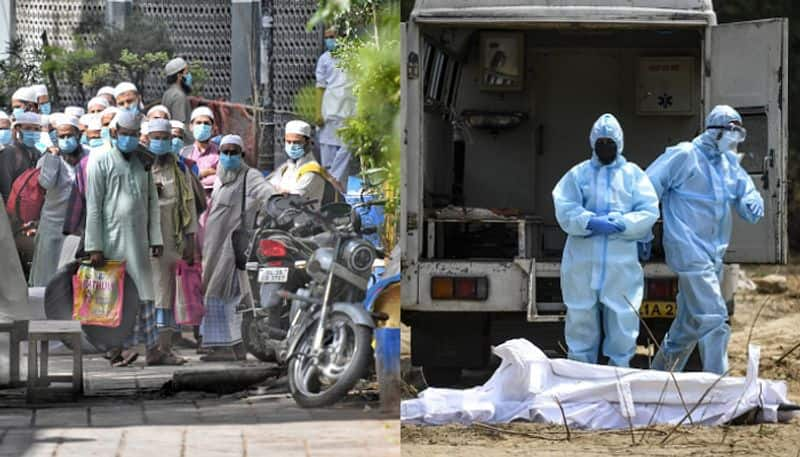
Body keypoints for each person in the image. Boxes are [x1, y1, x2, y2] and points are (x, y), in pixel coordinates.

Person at [647, 105, 764, 375]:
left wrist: (752, 200)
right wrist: (643, 229)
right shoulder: (685, 155)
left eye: (740, 133)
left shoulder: (728, 166)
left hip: (713, 257)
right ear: (715, 131)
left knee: (686, 328)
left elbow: (747, 193)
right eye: (732, 132)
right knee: (714, 319)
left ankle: (657, 380)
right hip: (688, 250)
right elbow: (648, 186)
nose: (735, 139)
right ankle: (717, 390)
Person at [552, 113, 659, 367]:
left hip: (620, 265)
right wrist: (588, 221)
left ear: (619, 143)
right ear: (592, 143)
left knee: (623, 316)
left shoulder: (633, 175)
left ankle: (619, 371)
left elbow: (649, 209)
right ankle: (580, 372)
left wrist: (624, 223)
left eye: (610, 142)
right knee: (580, 316)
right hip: (582, 263)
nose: (605, 147)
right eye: (601, 142)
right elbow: (564, 206)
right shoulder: (578, 174)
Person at [85, 111, 164, 367]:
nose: (129, 139)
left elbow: (153, 202)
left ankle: (151, 348)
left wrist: (156, 238)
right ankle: (119, 348)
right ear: (115, 133)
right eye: (125, 134)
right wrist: (94, 246)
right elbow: (94, 207)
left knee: (144, 293)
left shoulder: (144, 161)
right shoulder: (100, 160)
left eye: (133, 135)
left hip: (139, 240)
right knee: (116, 296)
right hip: (112, 241)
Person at [200, 134, 274, 361]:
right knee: (212, 292)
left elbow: (267, 193)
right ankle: (217, 346)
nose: (229, 156)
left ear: (242, 155)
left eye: (234, 152)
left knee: (232, 294)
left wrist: (279, 201)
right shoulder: (221, 175)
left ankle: (236, 346)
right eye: (225, 152)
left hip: (233, 246)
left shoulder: (249, 176)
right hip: (213, 245)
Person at [147, 118, 198, 365]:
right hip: (145, 245)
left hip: (171, 242)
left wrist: (190, 240)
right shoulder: (141, 169)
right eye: (154, 138)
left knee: (166, 298)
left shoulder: (180, 170)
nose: (159, 143)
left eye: (163, 138)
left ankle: (163, 348)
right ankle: (151, 348)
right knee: (151, 297)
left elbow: (188, 205)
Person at [28, 115, 83, 286]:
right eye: (61, 136)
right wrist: (52, 157)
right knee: (46, 275)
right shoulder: (49, 158)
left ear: (78, 135)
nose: (66, 140)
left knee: (69, 276)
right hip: (52, 225)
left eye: (69, 135)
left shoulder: (89, 155)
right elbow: (46, 183)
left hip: (77, 227)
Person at [315, 26, 356, 186]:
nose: (330, 40)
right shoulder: (324, 59)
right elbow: (320, 87)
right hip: (329, 114)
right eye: (327, 37)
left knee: (346, 151)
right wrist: (318, 112)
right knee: (327, 158)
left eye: (333, 36)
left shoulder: (353, 58)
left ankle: (334, 181)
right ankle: (333, 192)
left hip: (349, 114)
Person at [268, 120, 327, 207]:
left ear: (307, 143)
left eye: (297, 142)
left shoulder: (312, 170)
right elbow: (266, 189)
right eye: (288, 142)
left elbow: (292, 200)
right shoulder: (286, 167)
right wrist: (281, 192)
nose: (292, 146)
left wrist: (279, 191)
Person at [0, 112, 42, 201]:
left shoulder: (37, 152)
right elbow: (5, 189)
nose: (33, 132)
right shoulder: (9, 152)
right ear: (18, 129)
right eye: (28, 128)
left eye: (36, 129)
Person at [181, 107, 219, 191]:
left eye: (206, 123)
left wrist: (194, 176)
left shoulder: (220, 152)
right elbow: (182, 178)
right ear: (191, 127)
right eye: (198, 123)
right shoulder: (184, 152)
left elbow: (222, 178)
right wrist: (204, 173)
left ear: (212, 128)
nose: (202, 126)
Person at [162, 57, 193, 131]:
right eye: (186, 73)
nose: (189, 75)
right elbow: (179, 125)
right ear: (179, 76)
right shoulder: (179, 96)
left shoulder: (167, 93)